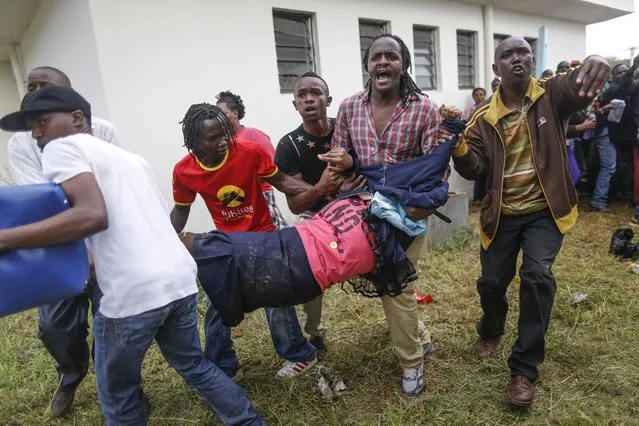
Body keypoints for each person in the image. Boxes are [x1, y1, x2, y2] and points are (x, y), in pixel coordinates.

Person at [0, 86, 263, 425]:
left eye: (43, 121)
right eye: (31, 125)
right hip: (180, 281)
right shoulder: (130, 158)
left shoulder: (61, 150)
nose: (35, 132)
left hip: (132, 295)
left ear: (77, 119)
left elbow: (92, 215)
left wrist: (7, 238)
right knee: (194, 365)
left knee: (118, 394)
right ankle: (248, 421)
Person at [451, 36, 610, 407]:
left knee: (538, 277)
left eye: (523, 52)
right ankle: (491, 327)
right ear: (496, 69)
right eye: (507, 54)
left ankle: (524, 369)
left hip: (544, 211)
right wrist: (458, 146)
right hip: (502, 214)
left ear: (533, 59)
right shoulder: (482, 118)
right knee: (491, 283)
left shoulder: (552, 94)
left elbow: (578, 85)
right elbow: (475, 166)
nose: (516, 58)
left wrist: (597, 59)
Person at [170, 103, 325, 379]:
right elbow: (181, 209)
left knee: (276, 296)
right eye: (213, 138)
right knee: (216, 301)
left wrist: (323, 191)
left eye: (225, 134)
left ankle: (299, 354)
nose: (222, 142)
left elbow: (283, 181)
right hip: (227, 244)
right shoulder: (184, 171)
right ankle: (223, 366)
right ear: (195, 141)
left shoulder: (249, 152)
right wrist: (163, 240)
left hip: (263, 235)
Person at [328, 33, 440, 397]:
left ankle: (411, 363)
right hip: (364, 215)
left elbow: (435, 168)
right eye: (376, 56)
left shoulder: (423, 109)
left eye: (391, 56)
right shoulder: (348, 108)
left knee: (397, 288)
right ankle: (420, 335)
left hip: (406, 217)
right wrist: (348, 177)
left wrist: (412, 205)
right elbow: (338, 161)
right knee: (389, 284)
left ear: (403, 64)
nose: (383, 62)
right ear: (367, 64)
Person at [6, 66, 117, 418]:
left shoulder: (103, 131)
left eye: (44, 87)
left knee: (112, 323)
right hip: (54, 246)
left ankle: (116, 385)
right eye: (30, 86)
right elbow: (41, 200)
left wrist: (93, 250)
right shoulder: (22, 141)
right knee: (56, 328)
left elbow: (108, 189)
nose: (34, 92)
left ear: (69, 97)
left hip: (103, 244)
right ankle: (71, 375)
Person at [274, 71, 337, 357]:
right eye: (302, 95)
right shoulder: (289, 145)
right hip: (314, 216)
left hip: (354, 208)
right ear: (295, 104)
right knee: (307, 268)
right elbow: (296, 205)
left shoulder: (345, 131)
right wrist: (322, 188)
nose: (309, 99)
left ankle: (405, 326)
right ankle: (315, 332)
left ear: (328, 99)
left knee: (387, 260)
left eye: (315, 92)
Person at [215, 91, 287, 228]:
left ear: (235, 113)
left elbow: (274, 167)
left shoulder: (255, 136)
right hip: (234, 202)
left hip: (260, 197)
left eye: (222, 114)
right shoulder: (221, 142)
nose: (218, 119)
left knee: (272, 234)